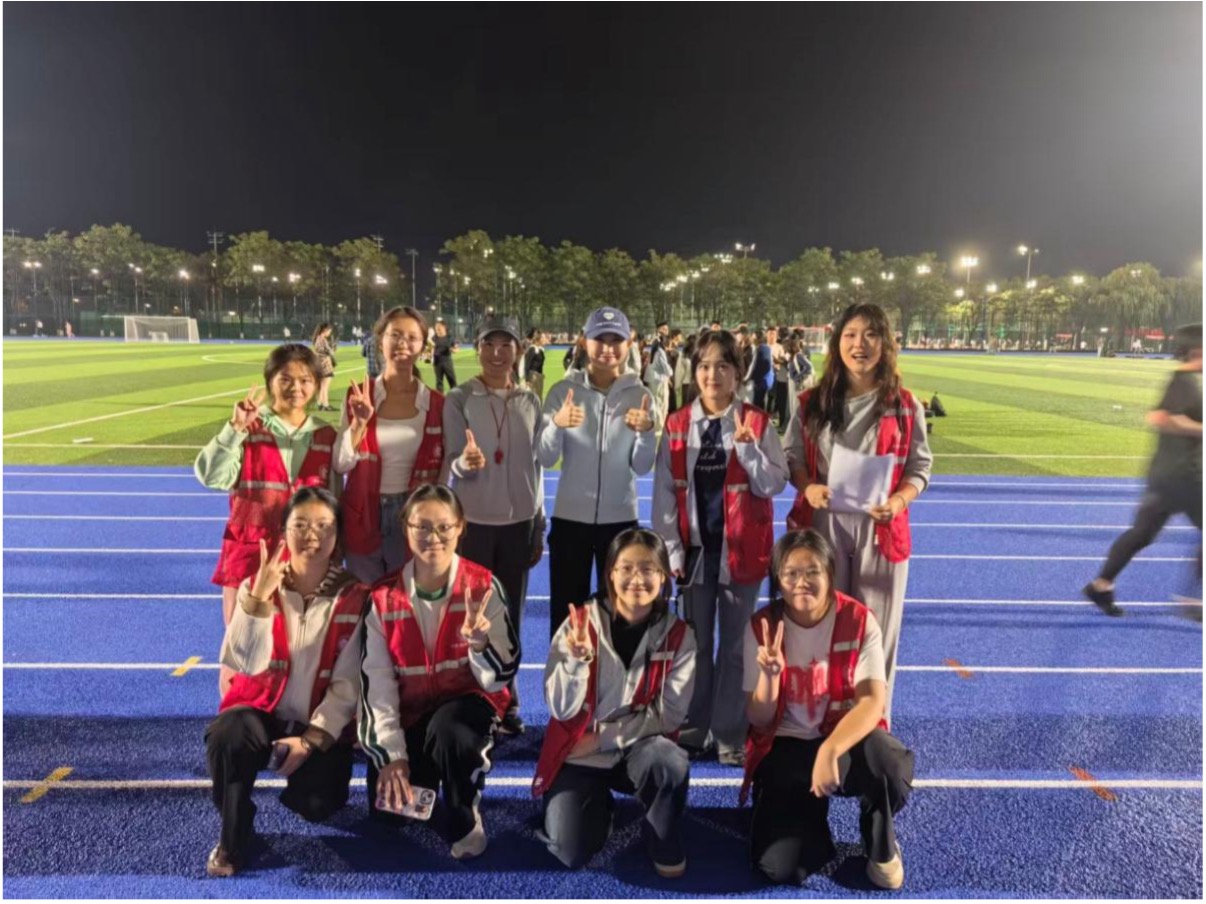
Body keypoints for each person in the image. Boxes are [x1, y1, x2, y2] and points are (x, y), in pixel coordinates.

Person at [205, 488, 368, 877]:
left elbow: (348, 686)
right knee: (228, 735)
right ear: (283, 531)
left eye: (324, 526)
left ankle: (302, 776)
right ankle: (233, 836)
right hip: (260, 712)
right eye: (301, 525)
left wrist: (311, 740)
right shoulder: (257, 586)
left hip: (314, 721)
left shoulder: (356, 597)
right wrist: (258, 600)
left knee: (317, 804)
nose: (312, 535)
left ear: (337, 535)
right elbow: (241, 661)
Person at [783, 304, 932, 724]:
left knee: (877, 634)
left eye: (870, 334)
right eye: (850, 334)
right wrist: (808, 487)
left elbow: (920, 468)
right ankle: (823, 721)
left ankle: (873, 727)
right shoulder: (811, 402)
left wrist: (898, 501)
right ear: (837, 343)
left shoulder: (905, 405)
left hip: (881, 527)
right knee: (823, 625)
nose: (859, 344)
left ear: (885, 344)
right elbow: (793, 458)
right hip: (824, 524)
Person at [742, 530, 913, 889]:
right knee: (781, 869)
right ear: (778, 579)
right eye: (790, 573)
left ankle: (878, 835)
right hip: (786, 747)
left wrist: (831, 749)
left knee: (890, 762)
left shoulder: (859, 620)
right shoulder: (762, 626)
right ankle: (805, 816)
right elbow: (758, 719)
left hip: (843, 741)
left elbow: (872, 701)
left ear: (831, 573)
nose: (801, 582)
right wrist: (770, 677)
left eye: (812, 572)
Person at [359, 485, 519, 859]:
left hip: (465, 709)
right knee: (390, 813)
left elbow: (499, 677)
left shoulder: (484, 586)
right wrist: (393, 757)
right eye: (423, 527)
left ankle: (466, 813)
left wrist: (480, 645)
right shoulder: (382, 597)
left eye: (444, 527)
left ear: (460, 527)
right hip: (414, 712)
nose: (434, 537)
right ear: (406, 527)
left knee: (450, 731)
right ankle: (430, 775)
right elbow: (376, 685)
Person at [652, 329, 789, 765]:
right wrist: (671, 550)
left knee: (734, 647)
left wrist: (748, 451)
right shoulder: (677, 424)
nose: (713, 375)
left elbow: (774, 483)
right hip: (694, 557)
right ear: (694, 372)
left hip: (742, 554)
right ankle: (695, 727)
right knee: (694, 645)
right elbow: (663, 493)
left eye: (723, 366)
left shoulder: (757, 423)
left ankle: (730, 732)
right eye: (704, 366)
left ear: (737, 373)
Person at [534, 529, 697, 877]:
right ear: (610, 573)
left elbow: (670, 717)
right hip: (580, 751)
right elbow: (560, 710)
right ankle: (598, 809)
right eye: (626, 568)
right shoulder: (579, 625)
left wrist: (604, 738)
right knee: (568, 851)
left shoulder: (680, 636)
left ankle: (661, 834)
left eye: (648, 569)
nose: (637, 579)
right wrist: (576, 662)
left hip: (639, 746)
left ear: (663, 576)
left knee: (668, 761)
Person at [196, 343, 338, 696]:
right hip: (250, 556)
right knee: (243, 645)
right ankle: (237, 715)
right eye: (285, 378)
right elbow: (211, 476)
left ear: (316, 383)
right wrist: (234, 428)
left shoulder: (325, 436)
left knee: (299, 646)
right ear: (270, 380)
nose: (296, 387)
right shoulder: (249, 428)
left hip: (304, 560)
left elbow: (334, 503)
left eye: (305, 379)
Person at [443, 314, 545, 735]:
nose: (497, 353)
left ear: (519, 350)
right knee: (472, 615)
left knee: (511, 616)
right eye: (489, 344)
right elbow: (451, 460)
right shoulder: (460, 399)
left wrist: (539, 520)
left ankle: (508, 697)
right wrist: (463, 464)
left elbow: (537, 467)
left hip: (519, 524)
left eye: (506, 345)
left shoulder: (530, 401)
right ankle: (474, 697)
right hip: (474, 523)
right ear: (477, 348)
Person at [539, 306, 657, 639]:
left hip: (620, 521)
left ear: (629, 343)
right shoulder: (562, 392)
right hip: (570, 520)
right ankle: (565, 673)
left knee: (620, 613)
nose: (607, 348)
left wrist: (647, 432)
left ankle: (615, 674)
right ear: (584, 342)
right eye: (599, 339)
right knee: (566, 614)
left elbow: (642, 466)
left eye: (616, 340)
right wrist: (556, 425)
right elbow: (546, 457)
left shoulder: (640, 395)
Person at [1084, 323, 1203, 617]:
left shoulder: (1189, 380)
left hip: (1166, 475)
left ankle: (1100, 586)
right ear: (1197, 349)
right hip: (1183, 476)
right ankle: (1193, 600)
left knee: (1142, 534)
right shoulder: (1184, 381)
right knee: (1142, 534)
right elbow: (1160, 417)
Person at [335, 306, 446, 584]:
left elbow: (445, 469)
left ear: (423, 346)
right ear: (380, 340)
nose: (403, 344)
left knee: (405, 599)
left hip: (414, 514)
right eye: (395, 335)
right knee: (363, 598)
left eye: (412, 337)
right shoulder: (358, 396)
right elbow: (340, 464)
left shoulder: (435, 403)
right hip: (363, 512)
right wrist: (359, 424)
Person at [645, 322, 675, 425]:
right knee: (660, 405)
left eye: (667, 329)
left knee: (657, 403)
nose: (666, 331)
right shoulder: (659, 349)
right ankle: (658, 426)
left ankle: (657, 424)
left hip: (655, 379)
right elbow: (666, 368)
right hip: (659, 381)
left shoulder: (656, 348)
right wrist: (670, 372)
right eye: (664, 329)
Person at [785, 336, 815, 425]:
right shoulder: (793, 356)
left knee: (796, 406)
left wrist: (797, 377)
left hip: (796, 383)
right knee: (793, 405)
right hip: (792, 382)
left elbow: (809, 367)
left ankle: (797, 425)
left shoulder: (798, 356)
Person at [311, 323, 337, 411]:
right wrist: (334, 348)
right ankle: (326, 405)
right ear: (325, 330)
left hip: (319, 364)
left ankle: (320, 404)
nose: (329, 333)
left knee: (322, 385)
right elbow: (331, 353)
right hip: (325, 365)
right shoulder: (322, 340)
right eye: (329, 331)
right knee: (325, 386)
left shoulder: (317, 339)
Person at [771, 328, 791, 430]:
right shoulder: (785, 353)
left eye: (785, 344)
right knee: (779, 401)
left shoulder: (790, 355)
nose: (783, 346)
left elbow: (788, 365)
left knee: (783, 404)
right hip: (780, 379)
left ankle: (783, 424)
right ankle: (780, 422)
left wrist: (777, 360)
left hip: (785, 382)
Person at [432, 319, 459, 392]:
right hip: (437, 363)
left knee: (452, 381)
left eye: (438, 327)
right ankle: (440, 397)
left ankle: (455, 397)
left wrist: (453, 350)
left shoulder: (450, 338)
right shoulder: (433, 338)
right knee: (439, 382)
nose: (437, 328)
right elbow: (430, 349)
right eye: (436, 327)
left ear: (444, 327)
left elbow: (456, 348)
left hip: (447, 362)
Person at [673, 334, 697, 413]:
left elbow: (679, 372)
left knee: (686, 407)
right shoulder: (699, 355)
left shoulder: (683, 356)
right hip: (696, 385)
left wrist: (677, 386)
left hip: (686, 385)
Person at [523, 328, 547, 399]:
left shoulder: (541, 351)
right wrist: (527, 380)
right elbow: (527, 365)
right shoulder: (532, 349)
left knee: (539, 397)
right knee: (534, 397)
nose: (544, 339)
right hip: (533, 376)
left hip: (539, 376)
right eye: (542, 338)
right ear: (538, 339)